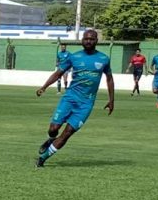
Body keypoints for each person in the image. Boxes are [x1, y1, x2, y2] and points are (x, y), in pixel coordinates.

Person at [34, 28, 113, 167]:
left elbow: (109, 79)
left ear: (96, 41)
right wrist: (44, 87)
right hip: (69, 98)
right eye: (86, 38)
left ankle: (42, 159)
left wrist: (111, 100)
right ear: (82, 40)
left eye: (91, 39)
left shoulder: (104, 59)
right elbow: (58, 73)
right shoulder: (74, 57)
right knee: (53, 128)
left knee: (68, 132)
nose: (88, 41)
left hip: (86, 104)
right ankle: (50, 139)